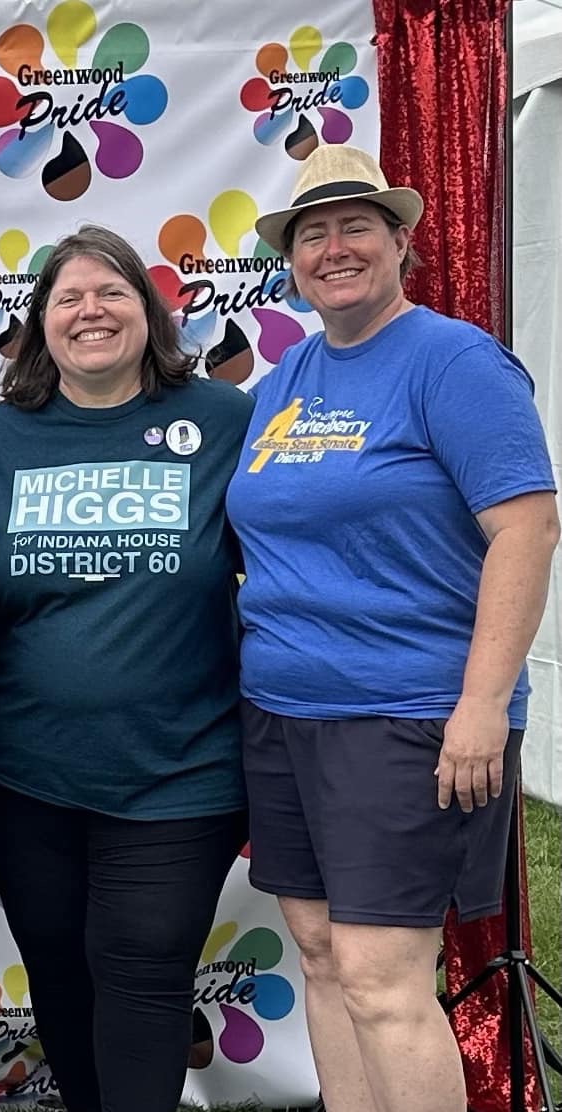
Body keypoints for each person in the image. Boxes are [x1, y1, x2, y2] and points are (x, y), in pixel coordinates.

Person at [226, 145, 558, 1112]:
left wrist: (481, 706)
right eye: (311, 233)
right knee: (325, 959)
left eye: (354, 226)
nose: (333, 248)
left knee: (382, 979)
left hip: (407, 712)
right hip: (283, 711)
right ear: (289, 258)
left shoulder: (453, 360)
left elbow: (526, 529)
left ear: (400, 240)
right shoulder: (286, 377)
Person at [0, 225, 253, 1111]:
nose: (90, 311)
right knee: (59, 976)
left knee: (140, 972)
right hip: (22, 772)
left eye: (111, 292)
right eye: (67, 298)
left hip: (180, 769)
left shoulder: (223, 420)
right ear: (40, 323)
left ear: (148, 311)